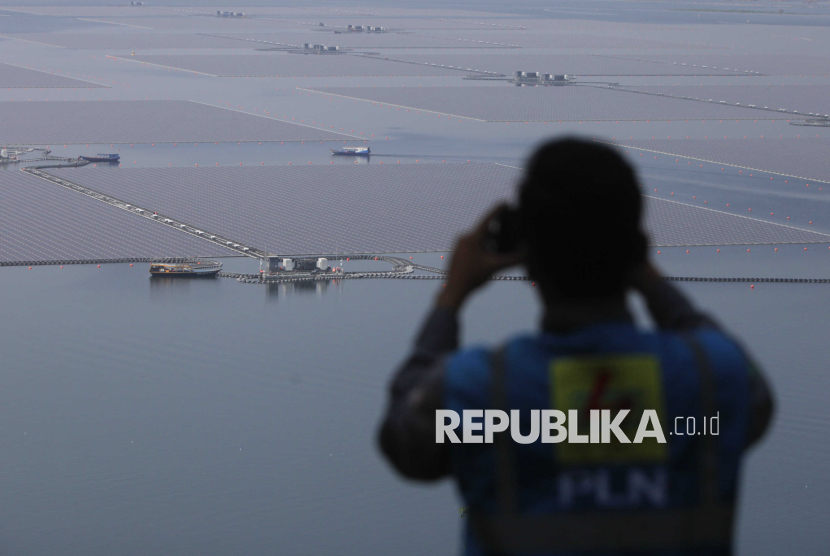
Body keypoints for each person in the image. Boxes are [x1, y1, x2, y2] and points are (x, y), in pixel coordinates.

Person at [378, 138, 773, 555]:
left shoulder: (479, 392)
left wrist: (450, 298)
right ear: (636, 248)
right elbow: (746, 389)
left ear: (526, 254)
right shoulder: (712, 380)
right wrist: (646, 275)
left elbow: (404, 441)